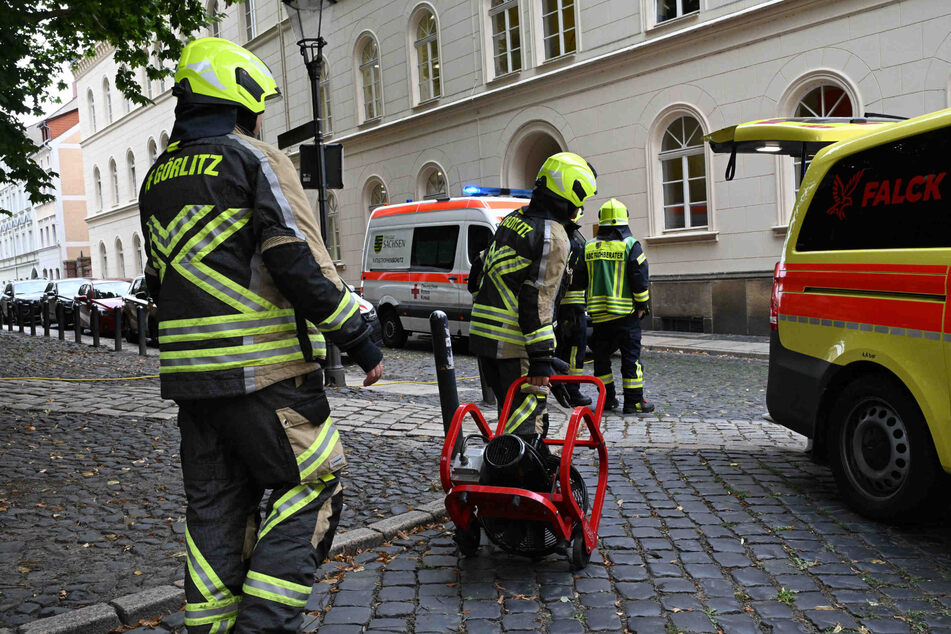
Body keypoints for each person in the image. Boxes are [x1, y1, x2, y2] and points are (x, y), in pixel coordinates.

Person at [138, 37, 383, 633]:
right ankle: (264, 625)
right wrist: (357, 336)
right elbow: (293, 259)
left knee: (216, 513)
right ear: (239, 97)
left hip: (192, 387)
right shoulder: (254, 161)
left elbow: (155, 280)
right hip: (266, 375)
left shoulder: (155, 181)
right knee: (317, 483)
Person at [469, 152, 597, 445]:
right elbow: (536, 300)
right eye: (580, 200)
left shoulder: (513, 220)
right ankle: (517, 484)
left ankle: (502, 473)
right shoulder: (554, 237)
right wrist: (541, 359)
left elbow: (476, 274)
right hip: (515, 345)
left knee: (508, 415)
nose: (580, 208)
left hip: (484, 340)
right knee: (528, 422)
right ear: (570, 194)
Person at [585, 197, 654, 414]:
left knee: (602, 360)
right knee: (631, 359)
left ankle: (607, 400)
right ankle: (633, 402)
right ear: (624, 222)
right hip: (626, 315)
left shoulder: (588, 247)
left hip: (598, 316)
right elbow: (639, 278)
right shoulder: (630, 245)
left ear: (601, 222)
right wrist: (643, 305)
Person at [553, 207, 592, 407]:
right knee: (576, 351)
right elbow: (584, 276)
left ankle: (561, 386)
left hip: (558, 307)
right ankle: (573, 391)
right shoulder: (576, 244)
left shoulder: (557, 240)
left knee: (560, 348)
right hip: (575, 308)